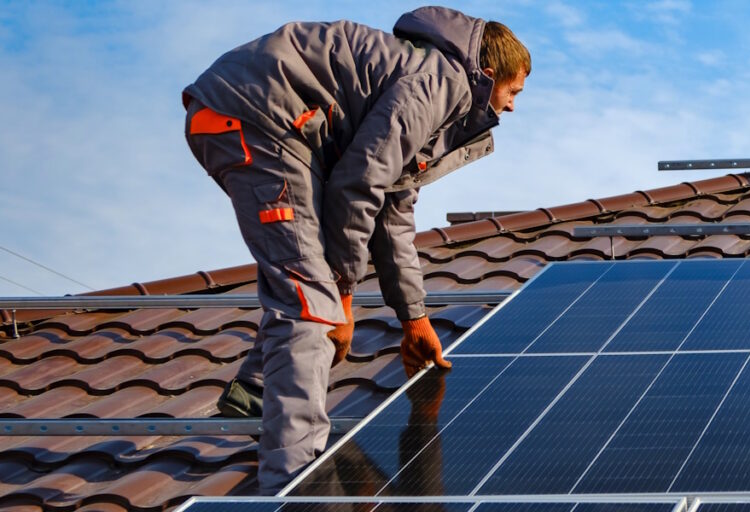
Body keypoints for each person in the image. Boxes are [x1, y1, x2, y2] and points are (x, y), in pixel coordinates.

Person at [181, 6, 529, 494]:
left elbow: (392, 213)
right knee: (312, 299)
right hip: (263, 117)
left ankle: (255, 389)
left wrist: (415, 319)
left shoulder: (430, 92)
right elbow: (359, 183)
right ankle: (299, 487)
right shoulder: (439, 84)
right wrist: (343, 295)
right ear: (487, 75)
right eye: (513, 92)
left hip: (263, 119)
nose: (513, 107)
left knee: (303, 265)